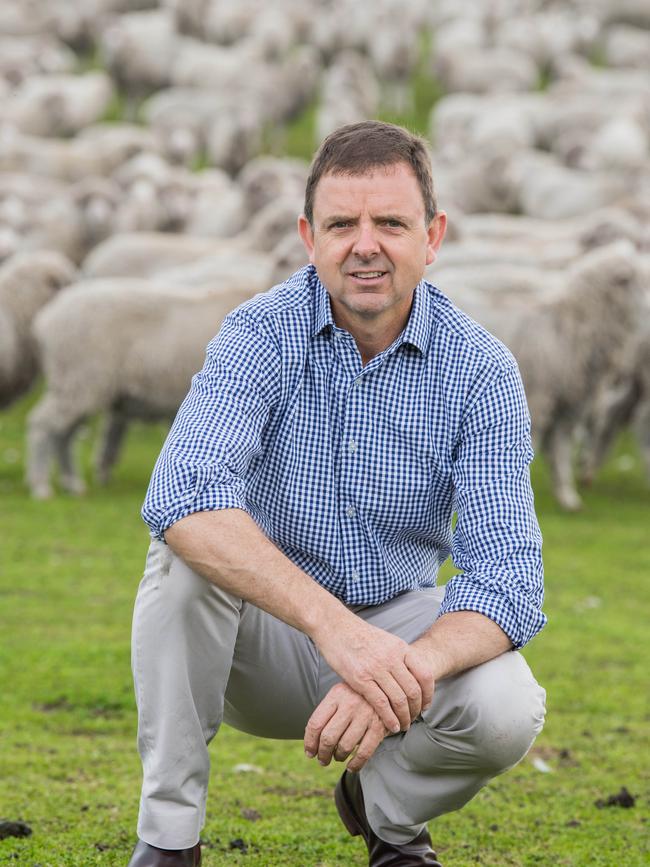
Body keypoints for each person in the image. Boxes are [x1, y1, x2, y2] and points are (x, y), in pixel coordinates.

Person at [127, 120, 547, 867]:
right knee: (184, 555)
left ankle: (387, 814)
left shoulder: (482, 368)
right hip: (262, 640)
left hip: (397, 632)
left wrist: (397, 668)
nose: (365, 244)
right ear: (307, 235)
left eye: (390, 222)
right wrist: (334, 630)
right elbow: (183, 492)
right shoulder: (257, 334)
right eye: (342, 223)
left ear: (433, 234)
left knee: (507, 706)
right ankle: (169, 839)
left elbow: (509, 577)